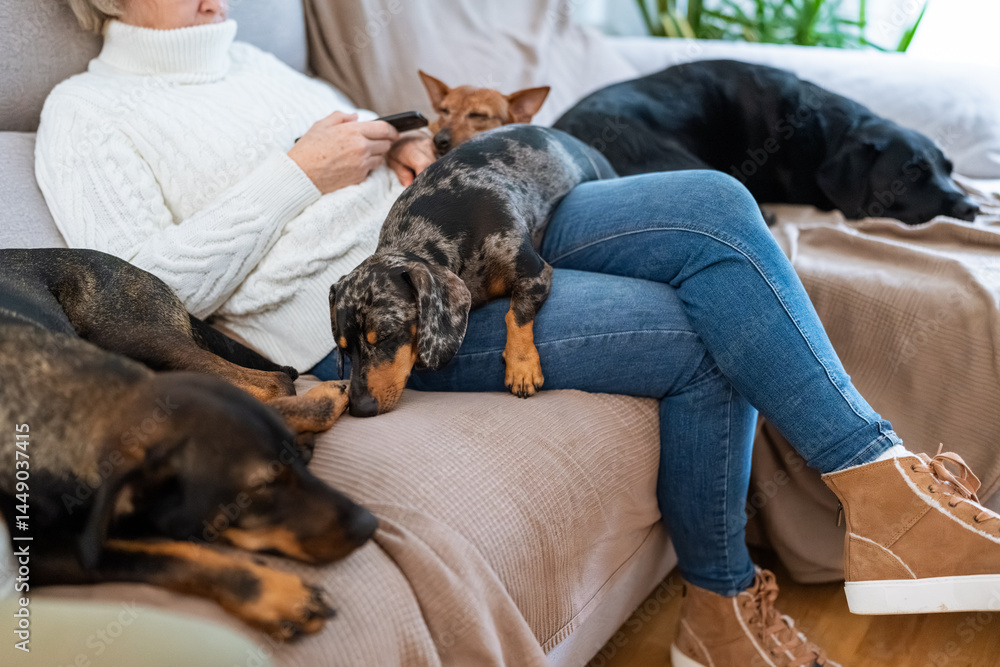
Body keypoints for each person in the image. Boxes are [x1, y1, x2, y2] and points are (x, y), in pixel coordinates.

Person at [36, 1, 1000, 665]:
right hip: (374, 318)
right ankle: (730, 598)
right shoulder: (88, 115)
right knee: (702, 319)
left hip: (471, 223)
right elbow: (142, 293)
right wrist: (297, 171)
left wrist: (404, 146)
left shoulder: (253, 60)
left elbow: (374, 145)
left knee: (715, 199)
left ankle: (880, 491)